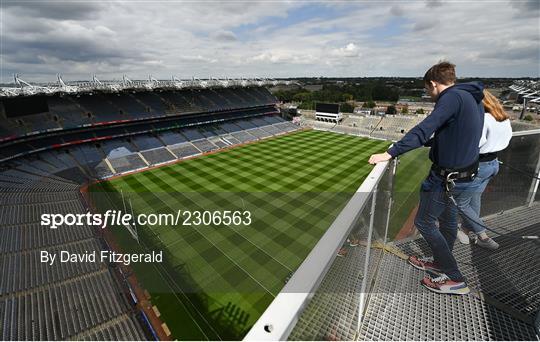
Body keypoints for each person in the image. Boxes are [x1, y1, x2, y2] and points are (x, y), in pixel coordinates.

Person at [369, 61, 484, 295]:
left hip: (445, 178)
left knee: (424, 222)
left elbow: (424, 129)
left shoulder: (450, 98)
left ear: (433, 83)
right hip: (464, 174)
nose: (429, 95)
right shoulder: (471, 97)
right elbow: (455, 132)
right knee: (449, 223)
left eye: (427, 90)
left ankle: (455, 278)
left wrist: (389, 152)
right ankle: (441, 263)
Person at [456, 90, 512, 249]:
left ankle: (483, 235)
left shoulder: (483, 119)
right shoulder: (502, 117)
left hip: (479, 166)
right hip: (493, 163)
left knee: (460, 203)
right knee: (475, 198)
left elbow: (475, 144)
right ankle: (467, 230)